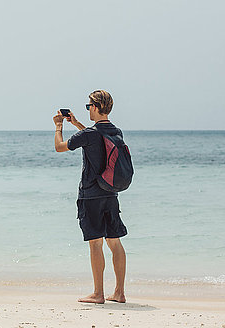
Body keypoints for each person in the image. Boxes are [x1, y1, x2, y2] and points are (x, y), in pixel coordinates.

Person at [53, 89, 128, 304]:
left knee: (95, 244)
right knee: (115, 242)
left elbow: (59, 147)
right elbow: (95, 139)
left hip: (91, 195)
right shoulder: (116, 131)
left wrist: (59, 126)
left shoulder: (90, 135)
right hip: (111, 193)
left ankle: (98, 293)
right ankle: (119, 293)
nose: (88, 109)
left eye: (88, 106)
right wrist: (76, 123)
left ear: (94, 107)